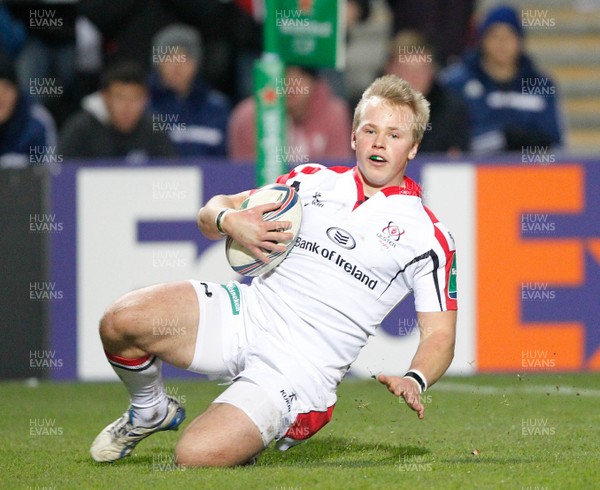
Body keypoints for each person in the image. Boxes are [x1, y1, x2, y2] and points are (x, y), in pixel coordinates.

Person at [90, 74, 457, 467]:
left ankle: (288, 416)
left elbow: (440, 335)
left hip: (299, 367)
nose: (379, 142)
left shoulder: (428, 236)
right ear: (354, 137)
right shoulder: (310, 181)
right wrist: (230, 220)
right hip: (248, 312)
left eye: (394, 134)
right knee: (119, 321)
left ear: (413, 147)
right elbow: (211, 211)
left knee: (194, 456)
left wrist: (415, 378)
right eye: (370, 130)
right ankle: (149, 408)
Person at [441, 4, 563, 154]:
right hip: (476, 172)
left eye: (509, 36)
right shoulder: (457, 83)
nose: (502, 43)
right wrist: (500, 138)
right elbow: (448, 140)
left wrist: (524, 141)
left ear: (520, 41)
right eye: (495, 36)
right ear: (482, 40)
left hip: (530, 172)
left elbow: (555, 141)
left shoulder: (540, 85)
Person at [228, 65, 353, 163]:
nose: (292, 84)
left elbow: (339, 171)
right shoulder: (247, 117)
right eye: (284, 74)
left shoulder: (335, 114)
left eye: (301, 75)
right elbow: (242, 174)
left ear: (315, 83)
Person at [58, 61, 175, 162]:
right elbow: (63, 174)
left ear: (145, 99)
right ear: (105, 98)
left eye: (135, 98)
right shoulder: (81, 129)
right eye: (120, 97)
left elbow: (169, 171)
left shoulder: (154, 128)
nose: (127, 106)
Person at [149, 24, 231, 157]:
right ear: (158, 62)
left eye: (185, 57)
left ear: (196, 63)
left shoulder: (217, 108)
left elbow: (228, 158)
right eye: (170, 57)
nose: (177, 65)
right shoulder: (145, 106)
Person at [385, 30, 469, 154]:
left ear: (432, 72)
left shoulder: (452, 111)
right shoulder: (367, 107)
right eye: (406, 70)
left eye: (421, 70)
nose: (414, 78)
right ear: (390, 70)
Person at [0, 53, 56, 167]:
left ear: (17, 91)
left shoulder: (37, 122)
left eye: (6, 89)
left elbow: (49, 173)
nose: (1, 98)